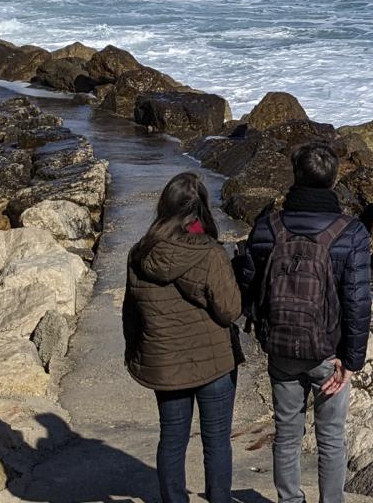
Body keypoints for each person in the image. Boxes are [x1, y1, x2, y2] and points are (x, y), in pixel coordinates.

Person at [238, 143, 373, 503]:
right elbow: (358, 300)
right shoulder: (351, 232)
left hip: (281, 346)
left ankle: (290, 500)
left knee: (287, 432)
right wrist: (352, 360)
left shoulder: (268, 226)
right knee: (331, 437)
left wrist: (263, 330)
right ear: (333, 180)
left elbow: (250, 286)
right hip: (329, 353)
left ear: (296, 176)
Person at [122, 172, 241, 503]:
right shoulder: (210, 252)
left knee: (172, 439)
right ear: (201, 208)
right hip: (213, 363)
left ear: (165, 206)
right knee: (217, 441)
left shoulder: (139, 253)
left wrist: (137, 352)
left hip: (165, 363)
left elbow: (131, 312)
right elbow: (230, 311)